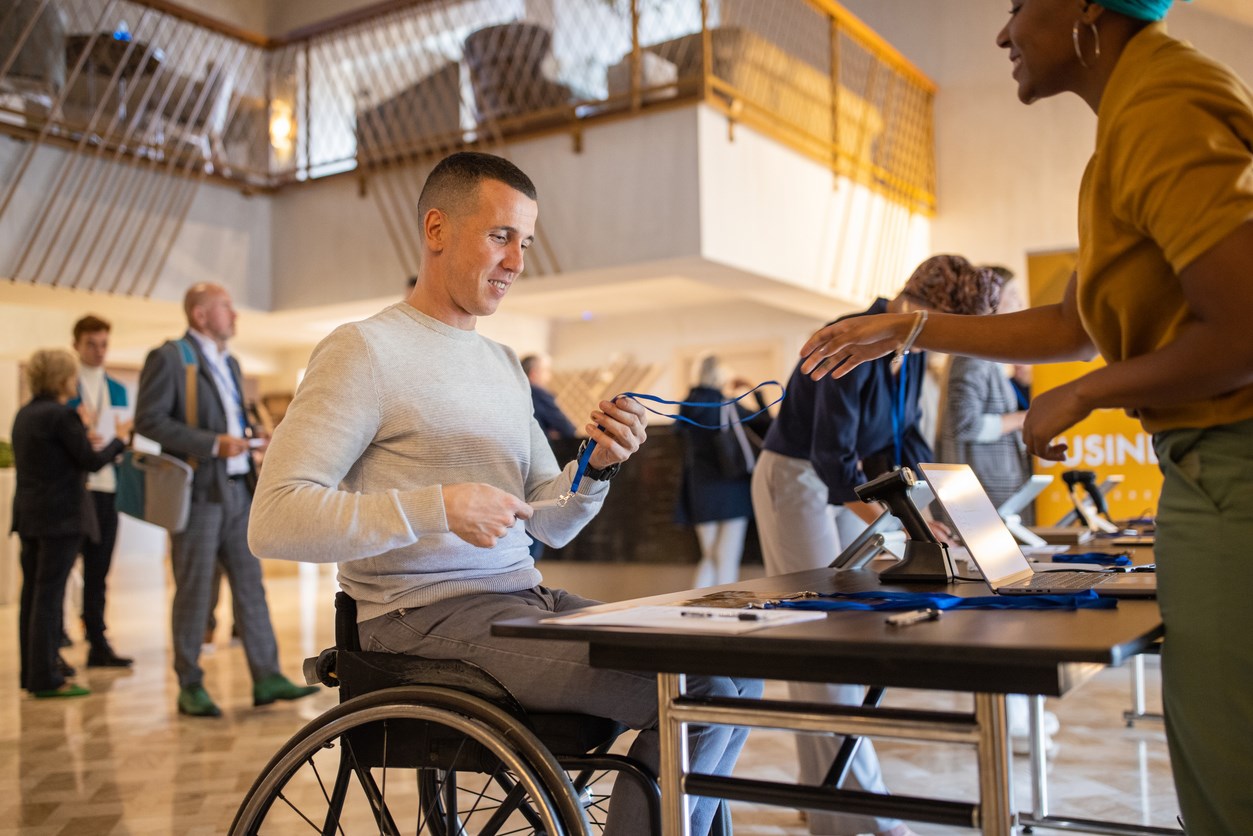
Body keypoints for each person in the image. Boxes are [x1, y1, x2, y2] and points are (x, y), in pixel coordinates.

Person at [798, 3, 1253, 830]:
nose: (1002, 35)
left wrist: (1084, 393)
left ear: (1086, 11)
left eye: (1015, 7)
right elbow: (1068, 326)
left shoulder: (1163, 106)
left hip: (1230, 466)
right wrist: (907, 328)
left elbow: (1244, 329)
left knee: (1232, 780)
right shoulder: (1122, 133)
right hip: (1201, 469)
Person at [248, 151, 760, 836]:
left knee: (735, 672)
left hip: (522, 598)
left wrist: (597, 464)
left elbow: (549, 520)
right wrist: (435, 508)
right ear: (436, 230)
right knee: (693, 694)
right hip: (420, 617)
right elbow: (275, 519)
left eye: (525, 241)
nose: (517, 259)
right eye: (500, 235)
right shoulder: (363, 351)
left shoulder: (499, 364)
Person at [752, 254, 1004, 836]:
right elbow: (829, 455)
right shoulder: (850, 337)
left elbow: (904, 438)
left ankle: (829, 802)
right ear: (924, 308)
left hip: (847, 482)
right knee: (818, 630)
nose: (942, 345)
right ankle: (860, 814)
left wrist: (949, 508)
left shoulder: (906, 354)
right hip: (798, 477)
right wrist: (908, 522)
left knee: (847, 630)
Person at [134, 283, 317, 717]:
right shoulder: (171, 358)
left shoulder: (231, 362)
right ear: (199, 315)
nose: (234, 316)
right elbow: (149, 420)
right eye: (226, 308)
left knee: (251, 586)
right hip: (198, 494)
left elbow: (230, 419)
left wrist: (251, 440)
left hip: (238, 492)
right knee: (195, 591)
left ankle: (267, 676)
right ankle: (190, 683)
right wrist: (213, 444)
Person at [12, 349, 128, 698]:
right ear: (63, 378)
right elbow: (91, 461)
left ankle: (33, 671)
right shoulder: (61, 416)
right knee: (49, 596)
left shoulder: (26, 414)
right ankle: (46, 678)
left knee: (33, 595)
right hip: (61, 518)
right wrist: (121, 438)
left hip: (30, 516)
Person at [65, 314, 134, 668]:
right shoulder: (66, 386)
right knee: (63, 569)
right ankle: (57, 638)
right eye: (91, 344)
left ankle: (97, 641)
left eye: (104, 344)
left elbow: (126, 437)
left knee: (98, 570)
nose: (98, 351)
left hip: (109, 487)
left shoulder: (118, 389)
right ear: (76, 345)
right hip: (76, 489)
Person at [676, 355, 770, 587]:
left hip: (699, 490)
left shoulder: (687, 405)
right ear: (720, 376)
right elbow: (767, 422)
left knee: (709, 556)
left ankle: (699, 608)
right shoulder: (726, 405)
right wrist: (752, 389)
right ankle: (723, 610)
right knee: (727, 557)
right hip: (732, 488)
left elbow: (677, 433)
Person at [522, 352, 577, 442]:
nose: (549, 376)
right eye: (546, 371)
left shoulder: (517, 394)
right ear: (534, 374)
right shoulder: (539, 394)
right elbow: (568, 430)